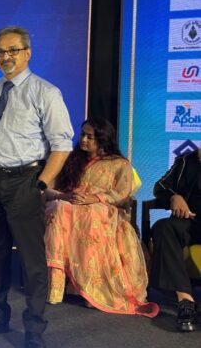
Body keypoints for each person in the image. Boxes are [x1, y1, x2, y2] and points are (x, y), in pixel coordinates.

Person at [0, 26, 73, 348]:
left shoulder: (46, 92)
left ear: (27, 53)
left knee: (32, 260)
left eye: (12, 50)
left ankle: (34, 328)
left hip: (26, 181)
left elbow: (62, 145)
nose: (5, 57)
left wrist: (41, 185)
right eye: (0, 52)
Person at [44, 117, 158, 317]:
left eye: (90, 137)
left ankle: (93, 289)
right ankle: (56, 286)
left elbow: (122, 195)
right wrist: (65, 196)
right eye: (83, 135)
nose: (83, 140)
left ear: (103, 139)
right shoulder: (71, 160)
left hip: (104, 210)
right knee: (59, 207)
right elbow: (47, 189)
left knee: (91, 214)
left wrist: (94, 198)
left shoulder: (119, 164)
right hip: (70, 206)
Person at [151, 148, 201, 332]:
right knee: (164, 227)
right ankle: (185, 300)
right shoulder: (186, 160)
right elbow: (160, 187)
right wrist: (174, 196)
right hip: (190, 220)